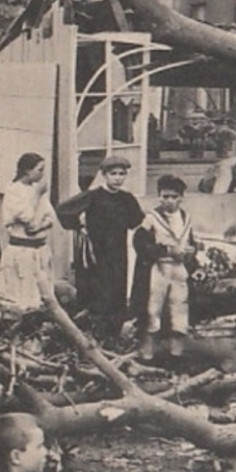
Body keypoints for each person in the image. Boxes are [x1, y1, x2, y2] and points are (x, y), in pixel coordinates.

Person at [135, 175, 200, 362]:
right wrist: (165, 249)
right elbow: (140, 242)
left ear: (181, 197)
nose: (168, 201)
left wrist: (191, 252)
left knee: (179, 307)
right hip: (159, 267)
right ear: (159, 197)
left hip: (179, 268)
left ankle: (176, 354)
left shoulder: (186, 218)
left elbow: (191, 241)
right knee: (152, 309)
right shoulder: (151, 218)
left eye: (173, 197)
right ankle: (147, 353)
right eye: (165, 196)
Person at [85, 155, 144, 343]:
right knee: (100, 289)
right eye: (113, 174)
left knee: (118, 288)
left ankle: (115, 334)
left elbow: (137, 221)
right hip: (98, 250)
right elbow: (65, 210)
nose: (118, 178)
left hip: (119, 250)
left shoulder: (126, 198)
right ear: (104, 175)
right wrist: (81, 225)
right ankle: (99, 334)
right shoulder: (93, 196)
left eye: (121, 174)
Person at [0, 153, 54, 312]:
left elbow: (50, 216)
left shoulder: (36, 189)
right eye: (40, 170)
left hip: (39, 249)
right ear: (27, 171)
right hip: (22, 250)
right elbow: (27, 216)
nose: (43, 174)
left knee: (42, 291)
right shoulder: (14, 190)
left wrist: (41, 226)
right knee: (23, 295)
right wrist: (37, 194)